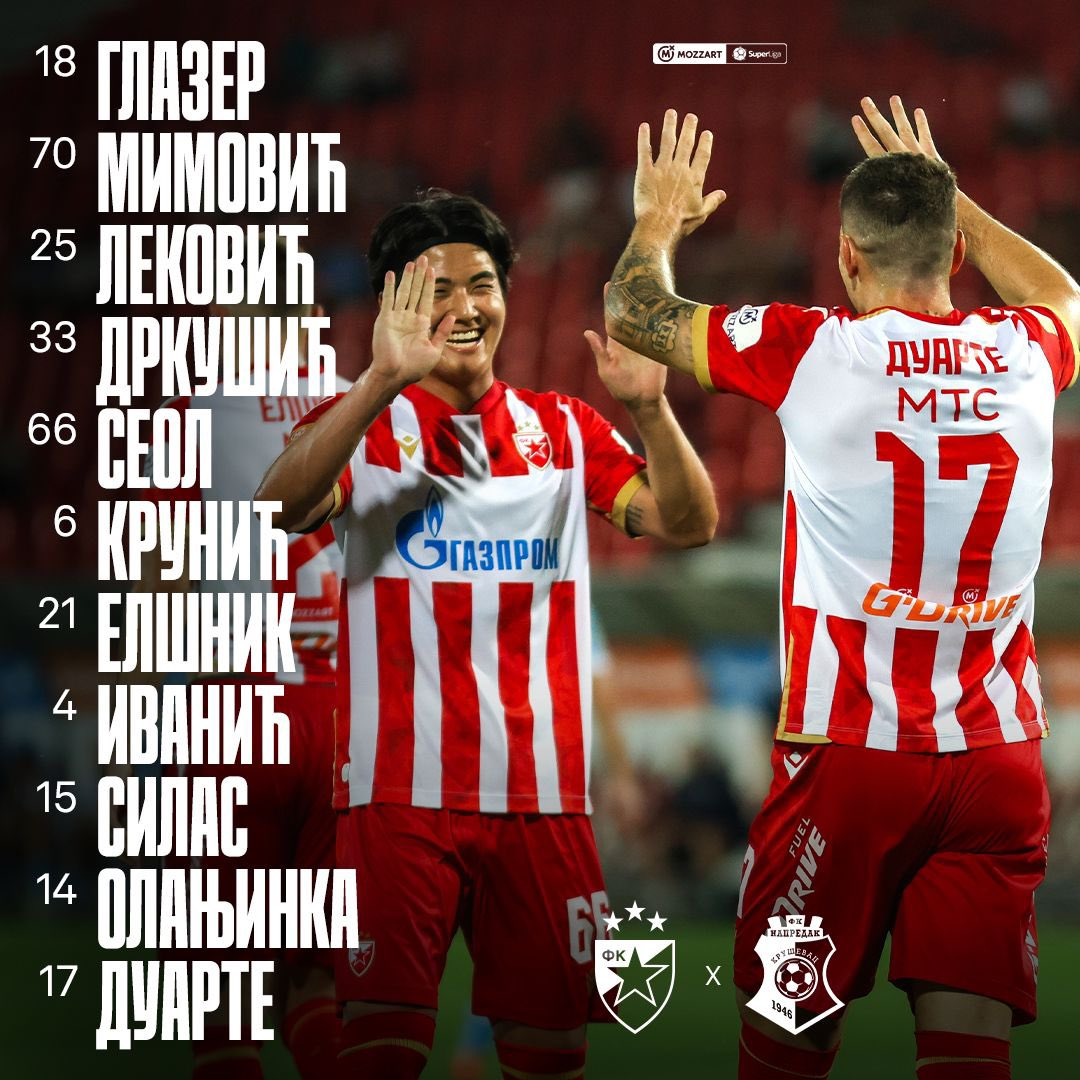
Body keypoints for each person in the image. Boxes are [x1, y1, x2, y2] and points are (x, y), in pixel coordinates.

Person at [603, 100, 1079, 1080]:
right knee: (970, 1053)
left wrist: (657, 221)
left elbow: (633, 314)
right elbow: (1064, 293)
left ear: (848, 258)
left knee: (785, 1032)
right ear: (956, 254)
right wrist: (952, 199)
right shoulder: (1027, 354)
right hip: (997, 762)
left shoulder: (814, 350)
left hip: (853, 753)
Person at [256, 190, 718, 1080]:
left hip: (543, 804)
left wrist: (652, 412)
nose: (465, 307)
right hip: (397, 798)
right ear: (395, 303)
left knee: (552, 1056)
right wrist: (378, 381)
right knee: (379, 1052)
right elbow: (278, 508)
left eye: (482, 285)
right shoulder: (368, 427)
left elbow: (688, 523)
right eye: (437, 290)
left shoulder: (563, 429)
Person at [134, 237, 350, 1080]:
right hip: (343, 713)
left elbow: (158, 580)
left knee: (223, 994)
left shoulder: (191, 417)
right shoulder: (360, 406)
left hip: (234, 710)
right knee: (316, 983)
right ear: (314, 318)